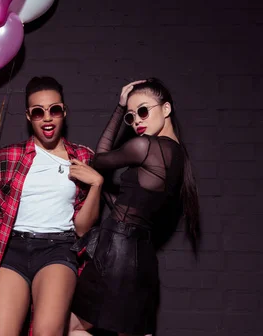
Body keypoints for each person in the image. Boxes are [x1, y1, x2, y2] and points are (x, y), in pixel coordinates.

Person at [0, 76, 103, 335]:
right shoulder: (6, 157)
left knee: (46, 331)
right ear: (29, 117)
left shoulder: (83, 157)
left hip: (58, 250)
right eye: (38, 112)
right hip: (13, 251)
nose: (47, 118)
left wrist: (96, 184)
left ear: (64, 112)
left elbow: (84, 228)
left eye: (54, 110)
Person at [69, 78, 200, 336]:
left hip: (116, 251)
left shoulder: (145, 146)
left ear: (166, 109)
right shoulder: (179, 157)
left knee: (75, 327)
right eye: (130, 116)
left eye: (143, 111)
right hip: (144, 254)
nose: (137, 120)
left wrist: (118, 109)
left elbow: (99, 159)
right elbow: (133, 204)